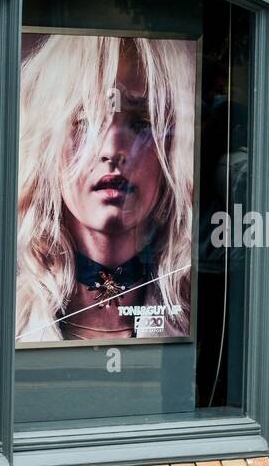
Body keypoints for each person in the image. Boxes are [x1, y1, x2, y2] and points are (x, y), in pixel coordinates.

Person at [16, 33, 195, 343]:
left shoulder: (201, 308)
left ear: (174, 148)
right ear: (47, 142)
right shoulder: (3, 313)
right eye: (84, 121)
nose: (112, 150)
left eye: (142, 123)